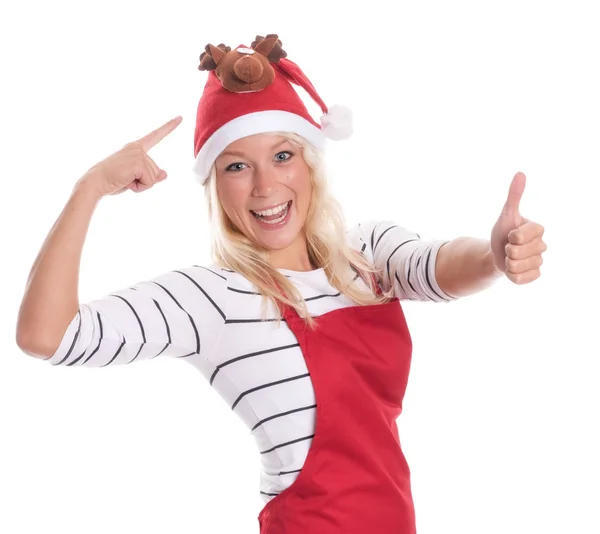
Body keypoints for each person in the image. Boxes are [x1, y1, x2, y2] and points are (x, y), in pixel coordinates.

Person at [15, 33, 547, 533]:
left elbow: (440, 266)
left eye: (283, 156)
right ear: (215, 187)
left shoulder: (367, 257)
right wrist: (89, 189)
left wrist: (494, 255)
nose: (266, 186)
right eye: (237, 166)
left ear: (310, 163)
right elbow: (47, 335)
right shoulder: (214, 300)